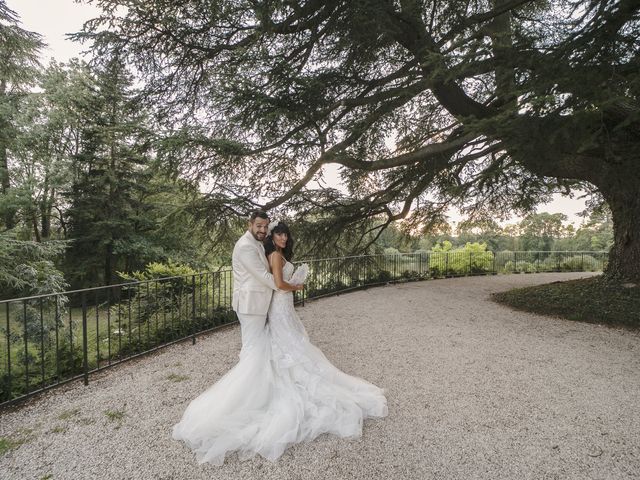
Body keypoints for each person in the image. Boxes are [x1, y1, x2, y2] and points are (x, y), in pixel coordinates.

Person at [172, 213, 387, 465]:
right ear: (251, 226)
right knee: (253, 352)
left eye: (267, 227)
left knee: (263, 349)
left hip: (268, 304)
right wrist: (294, 285)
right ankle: (242, 399)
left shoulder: (259, 245)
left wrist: (286, 285)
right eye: (261, 227)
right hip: (252, 305)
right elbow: (269, 279)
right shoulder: (245, 247)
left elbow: (271, 275)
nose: (265, 231)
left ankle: (257, 391)